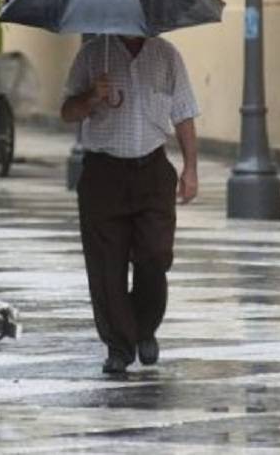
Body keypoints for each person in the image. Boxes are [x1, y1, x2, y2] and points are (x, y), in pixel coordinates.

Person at [61, 34, 199, 374]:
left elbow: (183, 114)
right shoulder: (93, 55)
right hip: (104, 172)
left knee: (156, 255)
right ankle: (119, 346)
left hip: (152, 169)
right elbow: (67, 112)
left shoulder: (166, 55)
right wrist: (92, 96)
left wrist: (190, 168)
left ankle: (144, 327)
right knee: (107, 266)